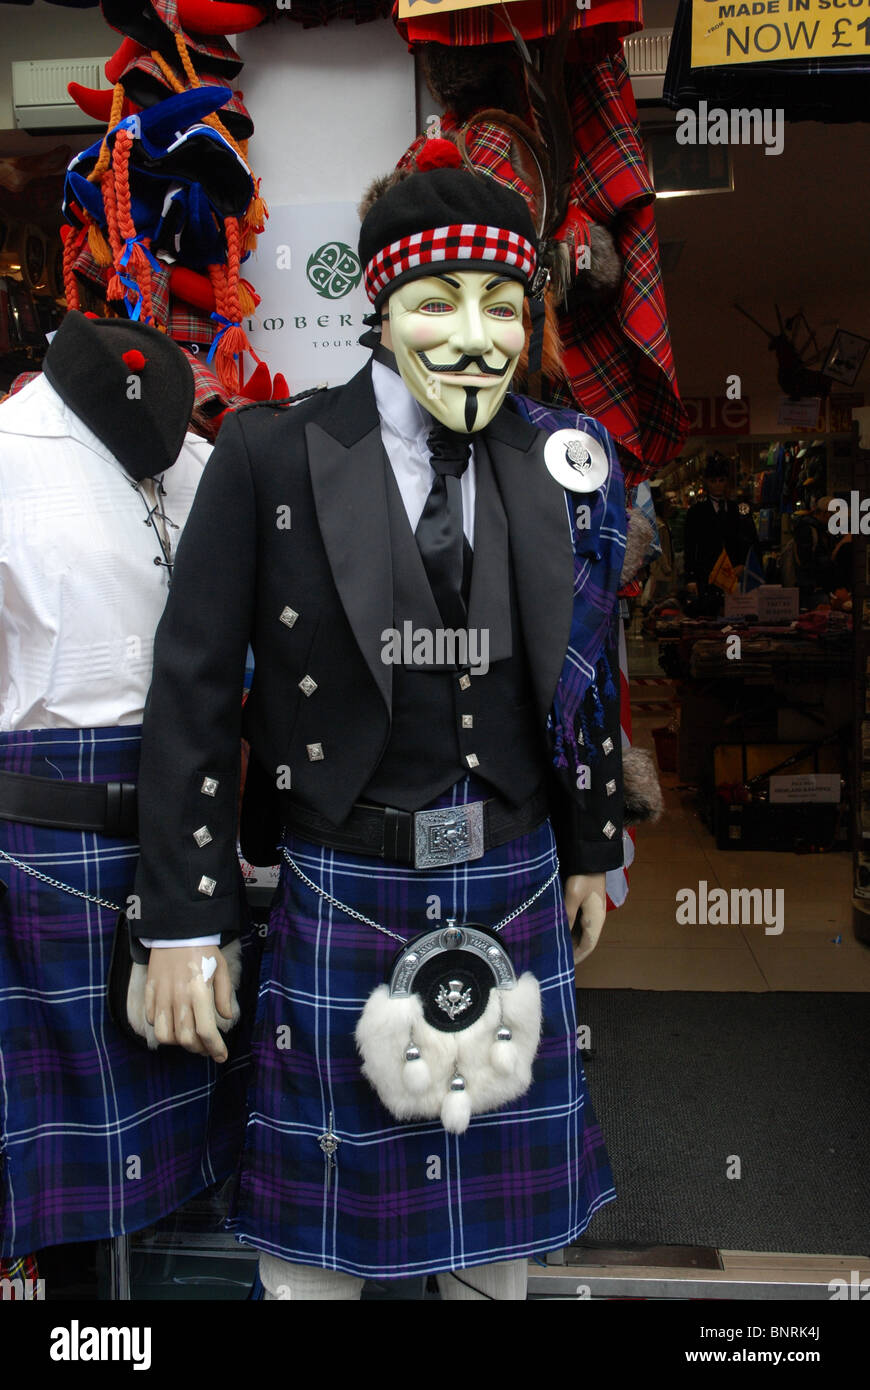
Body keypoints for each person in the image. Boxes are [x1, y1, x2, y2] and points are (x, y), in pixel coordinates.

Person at [131, 149, 624, 1299]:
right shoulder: (272, 452)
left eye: (505, 306)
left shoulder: (565, 459)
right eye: (440, 299)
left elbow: (583, 668)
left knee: (495, 1246)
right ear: (382, 304)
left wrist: (595, 843)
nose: (479, 334)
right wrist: (183, 916)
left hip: (510, 865)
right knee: (313, 1254)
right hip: (349, 874)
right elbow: (194, 689)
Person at [0, 313, 251, 1262]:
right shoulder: (7, 455)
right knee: (62, 1174)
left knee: (199, 1136)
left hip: (195, 837)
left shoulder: (203, 461)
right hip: (42, 856)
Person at [684, 454, 759, 611]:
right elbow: (690, 546)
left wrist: (742, 564)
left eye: (721, 481)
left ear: (726, 482)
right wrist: (690, 577)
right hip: (707, 572)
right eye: (713, 481)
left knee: (735, 618)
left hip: (734, 572)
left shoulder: (737, 509)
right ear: (707, 483)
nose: (717, 485)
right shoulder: (696, 512)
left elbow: (749, 540)